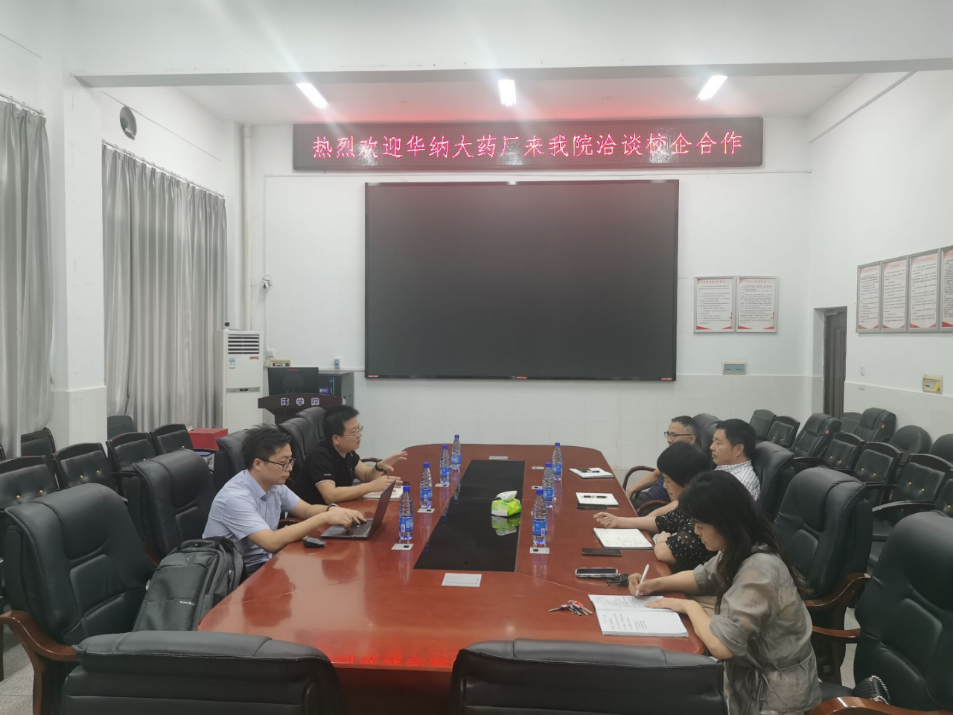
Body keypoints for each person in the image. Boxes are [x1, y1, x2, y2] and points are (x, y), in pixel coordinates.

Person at [629, 471, 820, 715]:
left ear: (724, 523)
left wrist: (688, 606)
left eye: (700, 526)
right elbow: (703, 578)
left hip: (774, 697)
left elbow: (721, 646)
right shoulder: (739, 546)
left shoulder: (759, 570)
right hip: (746, 675)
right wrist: (654, 585)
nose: (696, 531)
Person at [204, 424, 366, 575]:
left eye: (290, 461)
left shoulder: (274, 485)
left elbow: (306, 510)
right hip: (236, 576)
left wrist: (334, 510)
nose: (290, 468)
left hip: (266, 563)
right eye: (283, 463)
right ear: (258, 464)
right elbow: (270, 542)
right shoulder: (235, 498)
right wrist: (325, 517)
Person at [595, 441, 715, 571]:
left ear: (688, 482)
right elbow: (661, 522)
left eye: (668, 481)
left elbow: (664, 553)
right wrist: (618, 521)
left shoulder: (702, 511)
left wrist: (662, 540)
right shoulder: (689, 503)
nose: (664, 486)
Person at [298, 405, 408, 505]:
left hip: (339, 510)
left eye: (359, 428)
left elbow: (365, 475)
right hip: (313, 516)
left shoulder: (346, 450)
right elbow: (330, 496)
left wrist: (380, 466)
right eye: (353, 432)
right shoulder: (320, 457)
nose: (359, 435)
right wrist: (371, 486)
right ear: (336, 439)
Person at [625, 415, 700, 507]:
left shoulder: (691, 465)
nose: (668, 440)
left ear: (691, 439)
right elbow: (655, 475)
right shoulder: (673, 455)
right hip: (644, 501)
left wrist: (652, 513)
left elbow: (678, 504)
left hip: (651, 508)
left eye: (674, 435)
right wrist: (630, 491)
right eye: (668, 434)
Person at [710, 419, 760, 500]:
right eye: (713, 441)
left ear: (738, 449)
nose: (711, 447)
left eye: (718, 443)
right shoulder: (725, 470)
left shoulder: (740, 483)